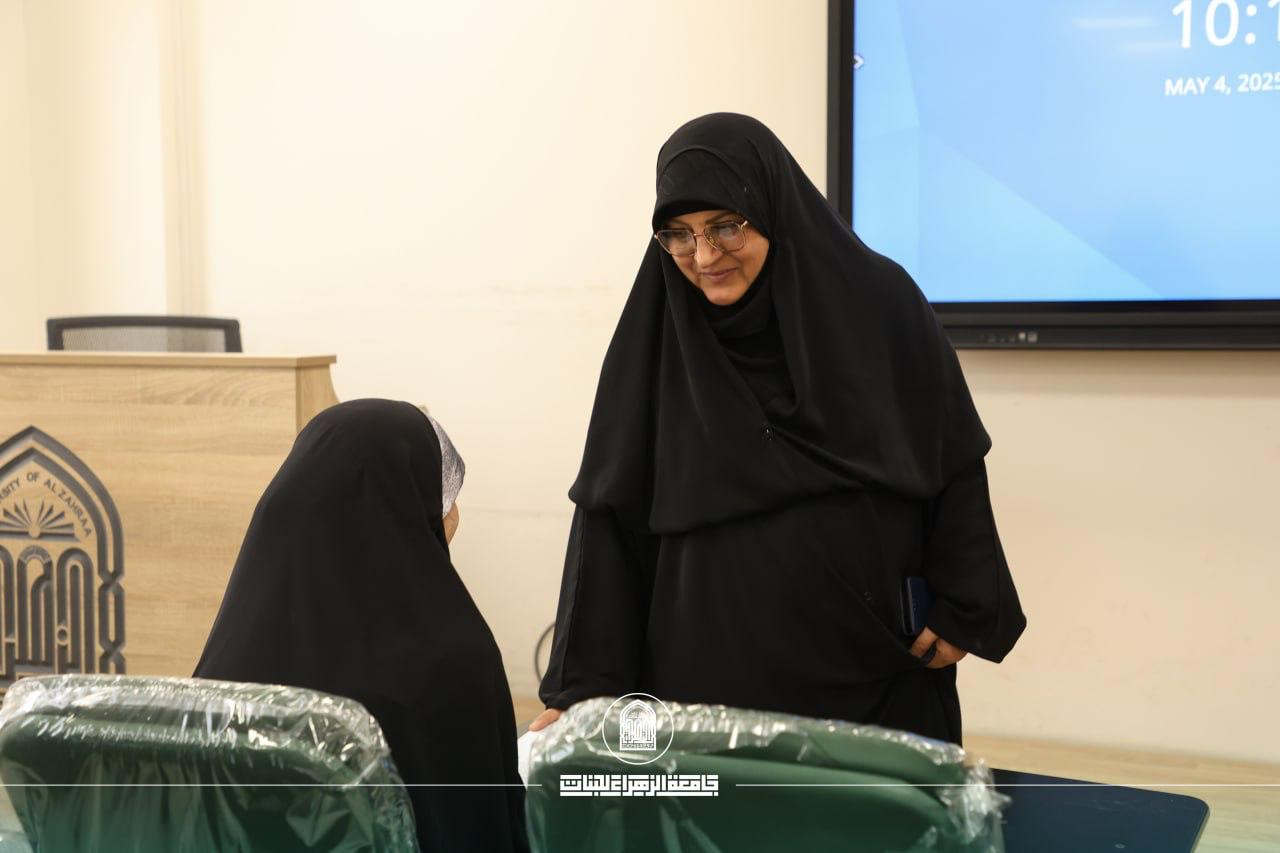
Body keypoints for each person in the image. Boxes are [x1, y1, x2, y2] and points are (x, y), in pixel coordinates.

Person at [531, 113, 1025, 745]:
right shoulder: (656, 341)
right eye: (678, 236)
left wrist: (965, 604)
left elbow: (951, 455)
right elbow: (608, 517)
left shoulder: (880, 306)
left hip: (876, 674)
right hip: (703, 693)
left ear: (770, 206)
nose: (703, 256)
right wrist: (581, 690)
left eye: (725, 227)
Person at [195, 399, 528, 852]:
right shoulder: (454, 665)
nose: (453, 515)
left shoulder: (226, 662)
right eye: (443, 497)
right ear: (407, 508)